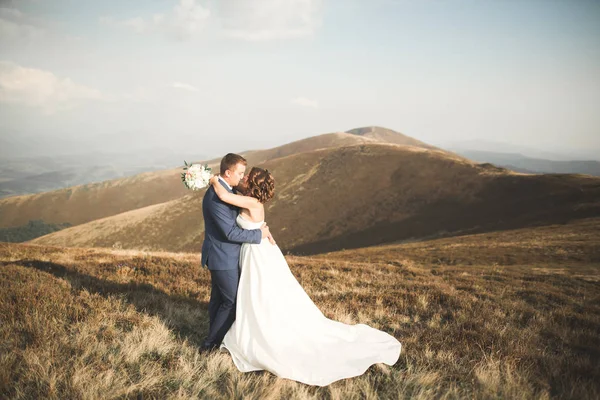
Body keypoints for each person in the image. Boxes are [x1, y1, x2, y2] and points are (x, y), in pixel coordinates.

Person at [208, 166, 402, 386]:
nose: (244, 179)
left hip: (257, 254)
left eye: (248, 177)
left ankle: (260, 331)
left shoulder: (252, 202)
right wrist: (264, 229)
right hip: (257, 250)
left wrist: (212, 178)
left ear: (253, 184)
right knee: (260, 294)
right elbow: (256, 222)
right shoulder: (251, 201)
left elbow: (224, 195)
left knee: (261, 294)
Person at [200, 153, 275, 353]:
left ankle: (214, 337)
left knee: (221, 300)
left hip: (235, 255)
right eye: (241, 173)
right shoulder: (217, 197)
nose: (243, 178)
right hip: (223, 256)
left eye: (246, 175)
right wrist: (260, 233)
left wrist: (262, 231)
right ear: (228, 172)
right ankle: (211, 344)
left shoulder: (232, 192)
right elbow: (230, 232)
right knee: (230, 301)